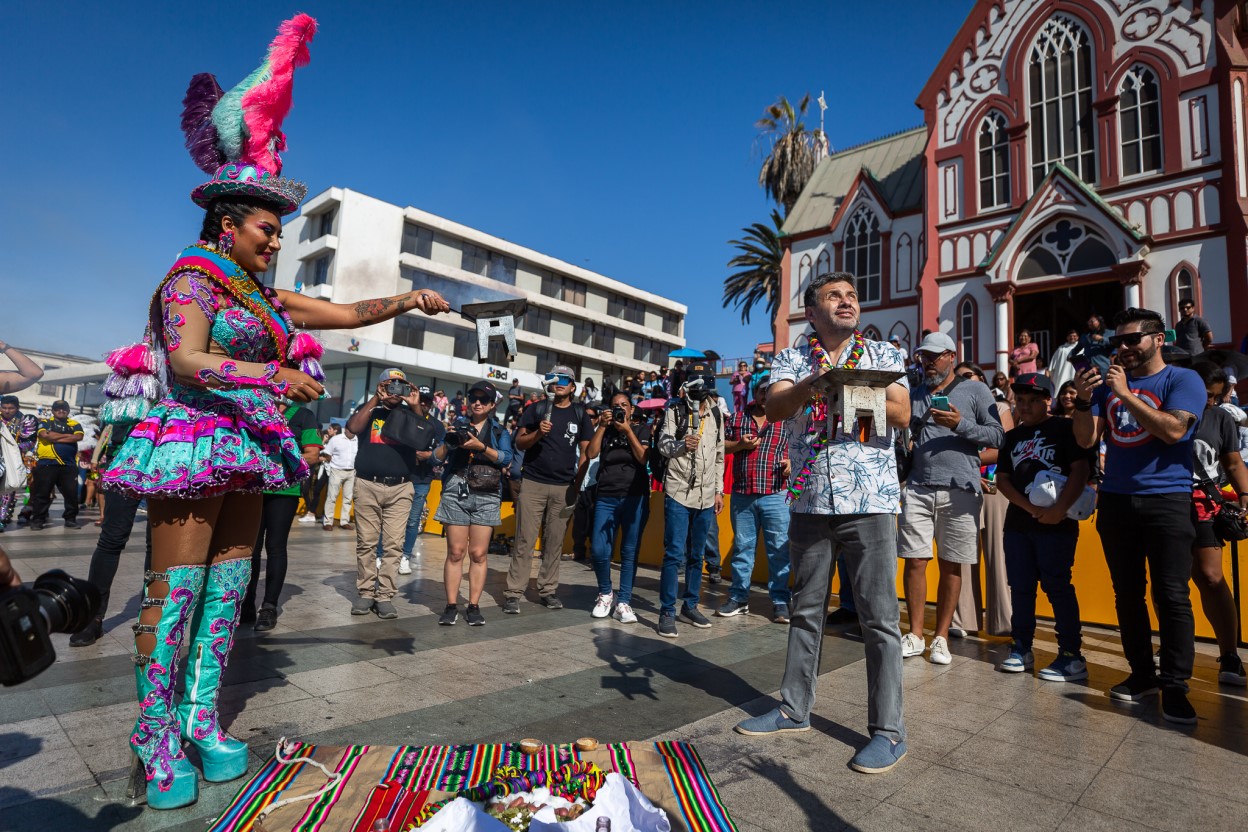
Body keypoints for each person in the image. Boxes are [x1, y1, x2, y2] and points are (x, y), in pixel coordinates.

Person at [98, 20, 451, 809]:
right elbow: (187, 359)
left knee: (227, 590)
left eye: (283, 233)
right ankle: (152, 732)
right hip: (192, 441)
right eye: (268, 229)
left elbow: (343, 311)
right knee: (176, 592)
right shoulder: (192, 280)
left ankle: (200, 717)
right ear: (229, 222)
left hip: (248, 447)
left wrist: (408, 298)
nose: (277, 242)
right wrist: (267, 373)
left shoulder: (260, 292)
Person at [734, 271, 909, 775]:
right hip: (810, 499)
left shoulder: (881, 354)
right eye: (835, 296)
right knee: (804, 611)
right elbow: (776, 405)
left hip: (870, 498)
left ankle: (889, 732)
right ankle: (793, 709)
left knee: (879, 619)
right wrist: (818, 382)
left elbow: (901, 413)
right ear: (813, 312)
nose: (847, 302)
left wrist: (853, 387)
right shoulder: (790, 359)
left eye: (852, 295)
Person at [1073, 307, 1206, 724]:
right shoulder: (1106, 386)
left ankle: (1176, 685)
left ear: (1159, 338)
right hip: (1116, 499)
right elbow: (1085, 440)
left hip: (1166, 499)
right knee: (1126, 593)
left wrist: (1127, 393)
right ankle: (1142, 674)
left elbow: (1174, 431)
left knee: (1171, 595)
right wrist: (1081, 399)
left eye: (1133, 339)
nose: (1125, 348)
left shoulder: (1182, 379)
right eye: (1119, 342)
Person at [899, 334, 1003, 664]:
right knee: (915, 561)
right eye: (923, 357)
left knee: (951, 564)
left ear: (951, 356)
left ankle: (941, 636)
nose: (927, 362)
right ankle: (916, 634)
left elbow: (998, 436)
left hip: (961, 488)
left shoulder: (975, 390)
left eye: (934, 356)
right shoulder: (913, 394)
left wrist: (960, 424)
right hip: (918, 486)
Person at [993, 373, 1091, 680]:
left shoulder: (1064, 428)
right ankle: (1021, 647)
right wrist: (1030, 508)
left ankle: (1071, 655)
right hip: (1020, 522)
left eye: (1033, 400)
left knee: (1057, 586)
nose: (1025, 407)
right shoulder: (1012, 437)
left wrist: (1059, 509)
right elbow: (1003, 479)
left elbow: (1081, 470)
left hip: (1058, 523)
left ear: (1047, 400)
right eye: (1020, 401)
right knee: (1021, 588)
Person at [506, 365, 594, 612]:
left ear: (573, 386)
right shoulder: (537, 408)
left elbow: (586, 453)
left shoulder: (580, 413)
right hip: (533, 483)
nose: (559, 382)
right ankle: (514, 592)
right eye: (554, 378)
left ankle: (547, 590)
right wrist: (537, 435)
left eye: (565, 379)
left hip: (563, 487)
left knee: (554, 542)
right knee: (524, 540)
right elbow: (521, 443)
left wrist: (577, 484)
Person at [1187, 363, 1248, 685]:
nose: (1209, 401)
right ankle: (1175, 644)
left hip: (1204, 504)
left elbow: (1233, 461)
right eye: (1205, 395)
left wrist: (1245, 494)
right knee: (1169, 579)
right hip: (1166, 502)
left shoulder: (1221, 417)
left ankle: (1230, 655)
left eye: (1216, 396)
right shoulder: (1166, 410)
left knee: (1211, 577)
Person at [346, 369, 425, 619]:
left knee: (393, 545)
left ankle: (385, 596)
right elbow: (352, 428)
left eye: (400, 386)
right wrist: (374, 399)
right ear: (380, 386)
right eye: (389, 385)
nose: (394, 390)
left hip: (401, 487)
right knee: (366, 543)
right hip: (367, 484)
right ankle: (366, 592)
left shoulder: (410, 413)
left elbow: (424, 437)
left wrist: (415, 405)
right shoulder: (371, 409)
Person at [432, 380, 512, 626]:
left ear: (491, 405)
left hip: (487, 492)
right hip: (457, 488)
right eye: (473, 397)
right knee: (455, 553)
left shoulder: (499, 431)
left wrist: (482, 447)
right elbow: (434, 457)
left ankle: (474, 606)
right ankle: (451, 605)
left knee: (478, 553)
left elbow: (507, 458)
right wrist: (449, 441)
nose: (477, 402)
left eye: (483, 399)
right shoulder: (456, 425)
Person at [654, 364, 724, 637]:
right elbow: (663, 444)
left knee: (697, 555)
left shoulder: (717, 412)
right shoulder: (674, 409)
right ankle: (667, 610)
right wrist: (683, 445)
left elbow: (719, 454)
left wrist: (718, 490)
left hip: (706, 495)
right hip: (678, 491)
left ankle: (691, 604)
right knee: (674, 553)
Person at [69, 421, 153, 647]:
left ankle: (152, 615)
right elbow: (110, 425)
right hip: (126, 456)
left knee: (157, 544)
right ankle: (93, 618)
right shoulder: (127, 388)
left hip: (170, 454)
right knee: (110, 540)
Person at [241, 400, 323, 631]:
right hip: (252, 490)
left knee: (275, 547)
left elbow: (313, 454)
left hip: (284, 490)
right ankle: (246, 604)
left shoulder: (304, 416)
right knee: (250, 549)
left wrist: (277, 467)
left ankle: (269, 607)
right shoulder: (252, 409)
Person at [718, 373, 792, 623]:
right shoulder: (737, 418)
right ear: (755, 393)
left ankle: (781, 601)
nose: (765, 394)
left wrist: (792, 462)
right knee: (742, 549)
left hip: (776, 493)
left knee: (779, 551)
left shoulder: (787, 420)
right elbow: (720, 445)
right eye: (761, 390)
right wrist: (739, 444)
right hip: (742, 495)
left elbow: (801, 448)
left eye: (769, 390)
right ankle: (738, 598)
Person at [949, 362, 1014, 638]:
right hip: (963, 486)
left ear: (981, 379)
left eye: (969, 376)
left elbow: (1003, 448)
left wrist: (965, 461)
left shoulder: (999, 409)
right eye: (959, 377)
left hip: (994, 489)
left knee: (998, 554)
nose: (964, 381)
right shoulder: (951, 413)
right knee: (961, 554)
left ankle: (1005, 621)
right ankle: (963, 620)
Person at [585, 391, 651, 622]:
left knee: (629, 551)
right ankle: (605, 593)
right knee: (599, 550)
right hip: (606, 495)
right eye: (615, 406)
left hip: (635, 496)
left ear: (631, 409)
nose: (620, 409)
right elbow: (591, 453)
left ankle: (624, 601)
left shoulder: (642, 429)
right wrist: (602, 426)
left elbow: (643, 458)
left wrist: (628, 431)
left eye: (624, 405)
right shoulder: (605, 430)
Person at [399, 387, 445, 576]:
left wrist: (429, 455)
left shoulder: (437, 425)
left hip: (422, 479)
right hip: (399, 475)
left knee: (413, 521)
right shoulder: (402, 417)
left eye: (427, 400)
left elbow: (441, 452)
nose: (423, 404)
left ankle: (405, 557)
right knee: (391, 520)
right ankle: (381, 554)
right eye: (421, 400)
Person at [29, 400, 84, 530]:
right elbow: (44, 435)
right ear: (53, 411)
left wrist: (53, 436)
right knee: (42, 493)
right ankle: (38, 520)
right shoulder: (45, 422)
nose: (61, 411)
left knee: (71, 494)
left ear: (68, 411)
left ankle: (70, 519)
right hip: (47, 463)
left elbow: (78, 437)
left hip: (69, 465)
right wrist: (67, 436)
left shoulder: (75, 424)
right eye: (58, 409)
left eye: (64, 409)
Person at [0, 395, 38, 533]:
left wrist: (12, 448)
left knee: (7, 490)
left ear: (17, 408)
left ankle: (2, 518)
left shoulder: (24, 420)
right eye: (4, 407)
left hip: (12, 460)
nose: (7, 411)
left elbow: (31, 442)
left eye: (11, 408)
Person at [321, 422, 357, 530]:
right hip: (337, 470)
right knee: (332, 497)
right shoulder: (336, 439)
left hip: (351, 471)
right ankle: (328, 522)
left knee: (348, 498)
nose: (351, 432)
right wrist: (333, 462)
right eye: (350, 429)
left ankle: (344, 521)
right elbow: (327, 453)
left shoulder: (357, 439)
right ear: (345, 429)